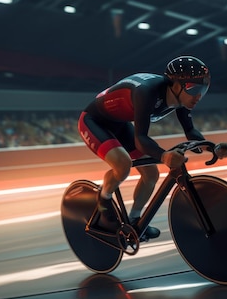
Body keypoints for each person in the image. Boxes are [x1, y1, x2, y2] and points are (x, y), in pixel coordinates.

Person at [78, 56, 211, 240]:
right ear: (175, 84)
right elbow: (141, 139)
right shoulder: (147, 92)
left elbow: (190, 130)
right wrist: (164, 155)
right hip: (94, 122)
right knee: (122, 164)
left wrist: (211, 147)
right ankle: (104, 198)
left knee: (151, 174)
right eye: (194, 89)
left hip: (120, 123)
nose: (197, 96)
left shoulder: (182, 96)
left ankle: (134, 222)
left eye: (203, 90)